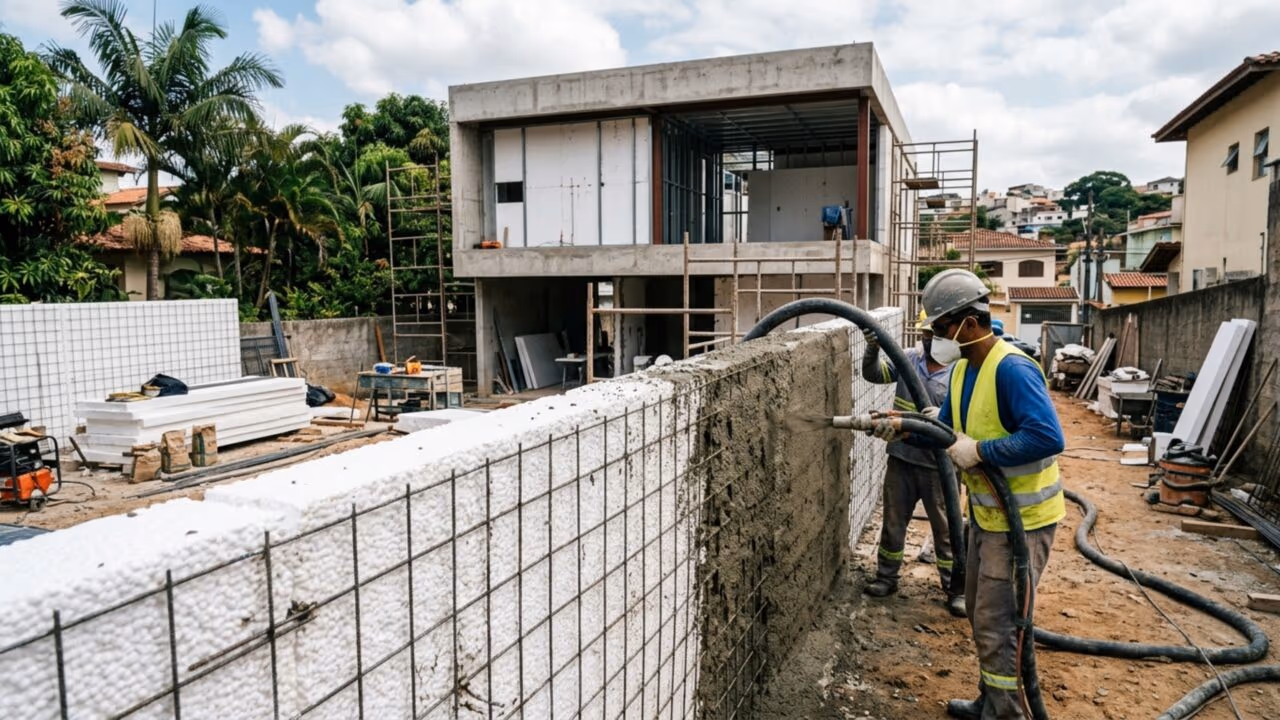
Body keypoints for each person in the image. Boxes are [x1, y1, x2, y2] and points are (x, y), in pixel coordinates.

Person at [923, 269, 1065, 720]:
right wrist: (901, 426)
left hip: (1024, 521)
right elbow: (947, 431)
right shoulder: (965, 368)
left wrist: (981, 450)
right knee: (982, 616)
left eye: (941, 328)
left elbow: (1047, 437)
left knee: (998, 623)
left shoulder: (1013, 369)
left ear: (968, 321)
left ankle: (1005, 714)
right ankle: (993, 699)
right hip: (988, 518)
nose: (937, 338)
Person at [861, 310, 966, 618]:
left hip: (940, 467)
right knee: (894, 522)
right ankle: (886, 577)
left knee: (947, 530)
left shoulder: (960, 372)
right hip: (902, 459)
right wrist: (872, 347)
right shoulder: (908, 359)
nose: (928, 339)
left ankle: (955, 589)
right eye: (925, 334)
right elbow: (873, 375)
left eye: (934, 334)